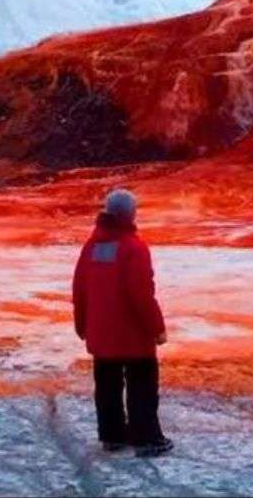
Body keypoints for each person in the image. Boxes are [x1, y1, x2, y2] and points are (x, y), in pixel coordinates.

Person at [71, 187, 172, 457]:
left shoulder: (91, 246)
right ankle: (147, 438)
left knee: (107, 385)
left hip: (101, 333)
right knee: (142, 384)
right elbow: (140, 294)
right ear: (130, 214)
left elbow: (79, 288)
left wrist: (82, 324)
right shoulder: (133, 247)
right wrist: (157, 328)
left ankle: (112, 436)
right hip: (132, 335)